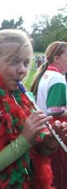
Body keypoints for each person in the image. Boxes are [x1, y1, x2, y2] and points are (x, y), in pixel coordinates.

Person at [0, 29, 67, 188]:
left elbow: (34, 155)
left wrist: (50, 143)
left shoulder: (22, 99)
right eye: (13, 61)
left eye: (25, 63)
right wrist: (24, 139)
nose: (22, 70)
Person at [30, 41, 67, 189]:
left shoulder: (47, 74)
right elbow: (55, 110)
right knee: (60, 175)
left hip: (47, 133)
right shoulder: (57, 78)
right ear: (57, 58)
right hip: (56, 134)